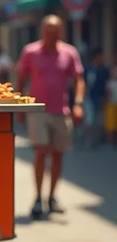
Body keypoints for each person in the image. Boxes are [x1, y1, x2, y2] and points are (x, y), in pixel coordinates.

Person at [17, 15, 85, 219]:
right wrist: (20, 105)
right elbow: (21, 78)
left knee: (57, 154)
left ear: (61, 32)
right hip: (38, 111)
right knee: (41, 151)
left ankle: (52, 196)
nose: (52, 34)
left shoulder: (69, 52)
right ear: (42, 31)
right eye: (48, 31)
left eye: (56, 31)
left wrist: (78, 103)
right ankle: (38, 197)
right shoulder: (30, 52)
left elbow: (78, 79)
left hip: (61, 111)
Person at [83, 48, 109, 149]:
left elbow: (106, 85)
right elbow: (82, 83)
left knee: (99, 121)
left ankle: (98, 141)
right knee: (89, 120)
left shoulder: (104, 70)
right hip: (89, 98)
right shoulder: (88, 69)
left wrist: (105, 97)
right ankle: (88, 141)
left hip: (100, 98)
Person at [104, 62, 117, 148]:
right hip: (111, 105)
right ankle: (110, 143)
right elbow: (107, 94)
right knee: (110, 125)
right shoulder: (109, 83)